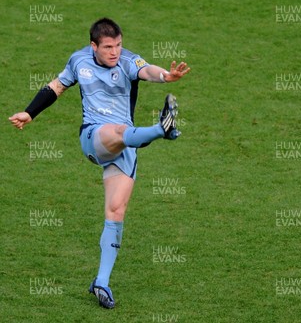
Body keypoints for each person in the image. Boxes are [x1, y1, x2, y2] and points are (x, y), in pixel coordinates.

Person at [9, 17, 190, 309]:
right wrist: (30, 113)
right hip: (95, 137)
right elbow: (56, 87)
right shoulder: (79, 61)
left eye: (118, 45)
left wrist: (165, 77)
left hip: (126, 145)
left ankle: (101, 282)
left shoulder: (127, 61)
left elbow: (146, 70)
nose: (115, 52)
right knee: (116, 131)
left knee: (116, 211)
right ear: (94, 46)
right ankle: (161, 130)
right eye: (108, 47)